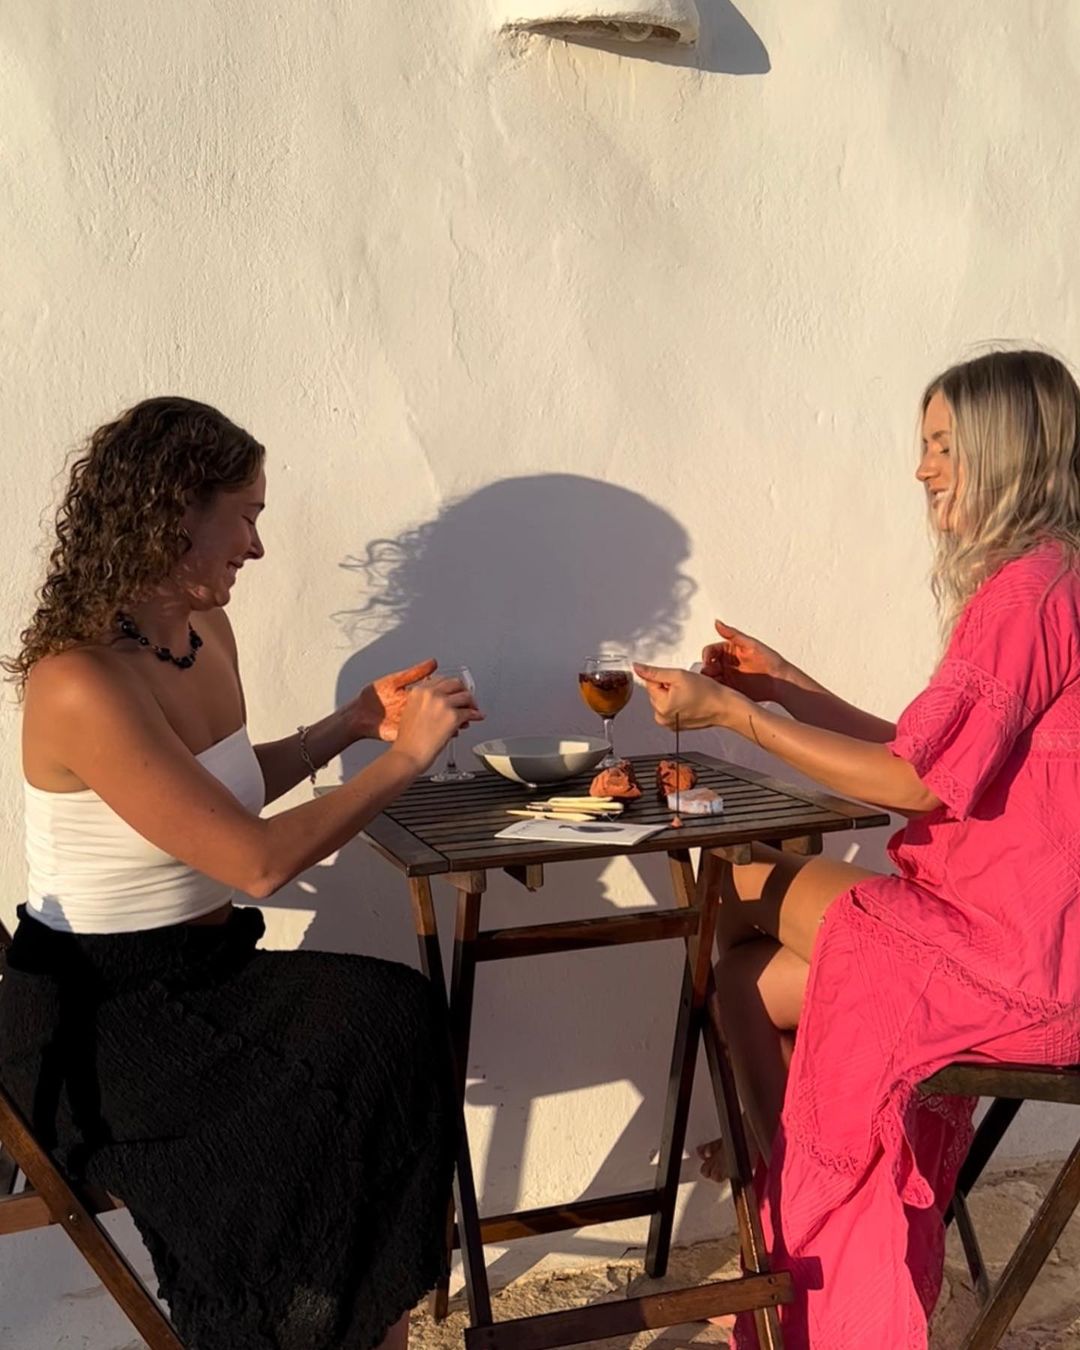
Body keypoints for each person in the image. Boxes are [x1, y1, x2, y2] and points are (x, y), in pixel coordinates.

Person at [0, 396, 483, 1350]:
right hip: (101, 1016)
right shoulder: (80, 680)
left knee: (395, 1017)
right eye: (247, 515)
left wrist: (350, 726)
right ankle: (278, 1327)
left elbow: (224, 791)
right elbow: (254, 861)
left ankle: (357, 1330)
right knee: (308, 1102)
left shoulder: (202, 634)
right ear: (175, 510)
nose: (258, 546)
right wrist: (403, 760)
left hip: (204, 974)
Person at [635, 349, 1080, 1348]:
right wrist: (786, 689)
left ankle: (802, 1183)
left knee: (734, 886)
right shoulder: (1055, 580)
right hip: (1034, 951)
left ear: (1007, 451)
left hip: (1009, 959)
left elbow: (915, 784)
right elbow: (936, 755)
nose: (923, 469)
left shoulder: (1026, 595)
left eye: (943, 446)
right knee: (741, 978)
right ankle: (789, 1179)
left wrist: (737, 720)